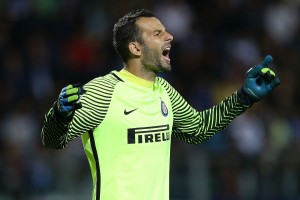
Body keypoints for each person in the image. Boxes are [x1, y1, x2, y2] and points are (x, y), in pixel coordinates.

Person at [41, 8, 280, 200]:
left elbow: (197, 129)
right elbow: (53, 140)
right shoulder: (102, 92)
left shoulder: (163, 89)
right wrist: (59, 115)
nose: (169, 36)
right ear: (135, 48)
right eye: (157, 33)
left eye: (165, 31)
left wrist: (244, 97)